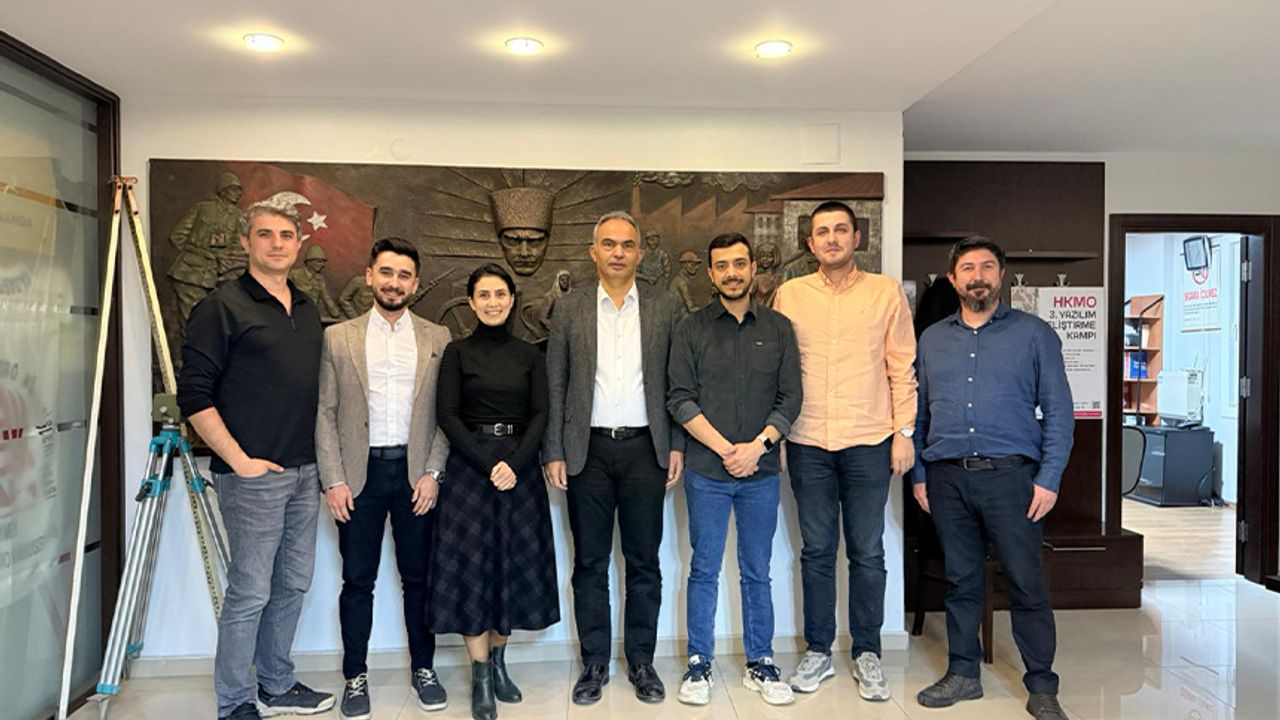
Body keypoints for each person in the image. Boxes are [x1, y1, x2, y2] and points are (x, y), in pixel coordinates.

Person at [177, 202, 332, 720]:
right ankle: (235, 701)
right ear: (245, 243)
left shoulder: (306, 307)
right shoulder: (221, 307)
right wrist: (239, 460)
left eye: (286, 234)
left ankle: (276, 684)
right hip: (252, 478)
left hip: (305, 471)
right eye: (265, 234)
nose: (276, 243)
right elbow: (194, 395)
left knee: (292, 584)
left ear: (299, 244)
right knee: (249, 593)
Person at [911, 237, 1072, 720]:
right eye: (967, 268)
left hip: (1013, 481)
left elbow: (1059, 413)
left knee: (1026, 583)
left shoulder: (1035, 335)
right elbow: (919, 414)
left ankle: (1042, 685)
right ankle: (963, 674)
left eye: (986, 267)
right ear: (953, 278)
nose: (977, 276)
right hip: (947, 479)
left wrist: (1049, 478)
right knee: (961, 581)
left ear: (1000, 275)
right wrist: (920, 473)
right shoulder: (932, 339)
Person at [772, 200, 916, 702]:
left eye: (840, 230)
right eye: (822, 232)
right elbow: (779, 371)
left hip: (869, 441)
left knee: (867, 550)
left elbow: (901, 366)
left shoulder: (884, 292)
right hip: (807, 440)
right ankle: (818, 651)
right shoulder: (790, 295)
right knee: (816, 551)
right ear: (809, 243)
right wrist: (779, 436)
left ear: (858, 237)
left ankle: (867, 652)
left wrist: (904, 432)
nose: (831, 239)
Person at [542, 210, 684, 706]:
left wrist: (677, 445)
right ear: (593, 252)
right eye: (609, 244)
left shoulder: (665, 306)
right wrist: (554, 449)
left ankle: (642, 661)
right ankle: (595, 663)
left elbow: (677, 383)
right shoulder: (571, 307)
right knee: (590, 562)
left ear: (640, 253)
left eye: (627, 244)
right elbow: (555, 381)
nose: (618, 252)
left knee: (644, 561)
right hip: (588, 451)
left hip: (647, 449)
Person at [315, 237, 453, 719]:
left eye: (404, 276)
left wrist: (433, 472)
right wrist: (333, 479)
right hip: (359, 477)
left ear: (415, 284)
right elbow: (325, 413)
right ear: (370, 275)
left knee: (418, 579)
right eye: (387, 273)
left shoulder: (438, 338)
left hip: (416, 477)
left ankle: (424, 669)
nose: (395, 283)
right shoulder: (339, 337)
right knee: (358, 580)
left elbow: (446, 414)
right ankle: (355, 676)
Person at [666, 233, 802, 707]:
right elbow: (680, 398)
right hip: (707, 471)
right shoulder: (691, 329)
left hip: (760, 475)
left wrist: (757, 448)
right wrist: (730, 450)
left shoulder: (779, 328)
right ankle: (699, 663)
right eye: (721, 266)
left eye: (739, 264)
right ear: (710, 273)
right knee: (703, 568)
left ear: (752, 269)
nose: (731, 273)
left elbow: (791, 398)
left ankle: (761, 662)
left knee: (756, 570)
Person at [430, 264, 560, 720]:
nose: (492, 302)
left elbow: (541, 414)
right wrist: (489, 465)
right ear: (471, 302)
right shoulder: (456, 353)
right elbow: (447, 415)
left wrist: (515, 464)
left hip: (519, 468)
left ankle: (500, 663)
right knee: (472, 569)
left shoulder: (530, 355)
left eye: (500, 294)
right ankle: (481, 676)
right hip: (471, 470)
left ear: (512, 299)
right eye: (483, 295)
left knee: (513, 565)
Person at [168, 171, 243, 343]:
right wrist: (195, 253)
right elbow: (177, 236)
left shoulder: (238, 216)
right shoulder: (203, 208)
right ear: (223, 190)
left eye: (240, 190)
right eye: (234, 189)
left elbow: (237, 246)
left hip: (216, 276)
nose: (238, 193)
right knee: (191, 323)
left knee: (211, 325)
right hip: (189, 273)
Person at [290, 244, 342, 320]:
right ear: (309, 261)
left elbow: (326, 298)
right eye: (319, 262)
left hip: (311, 315)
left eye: (323, 262)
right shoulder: (294, 275)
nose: (323, 265)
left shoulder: (319, 279)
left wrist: (336, 313)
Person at [668, 250, 702, 314]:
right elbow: (691, 308)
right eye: (693, 265)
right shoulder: (681, 282)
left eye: (697, 265)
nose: (697, 267)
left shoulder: (681, 279)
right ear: (684, 265)